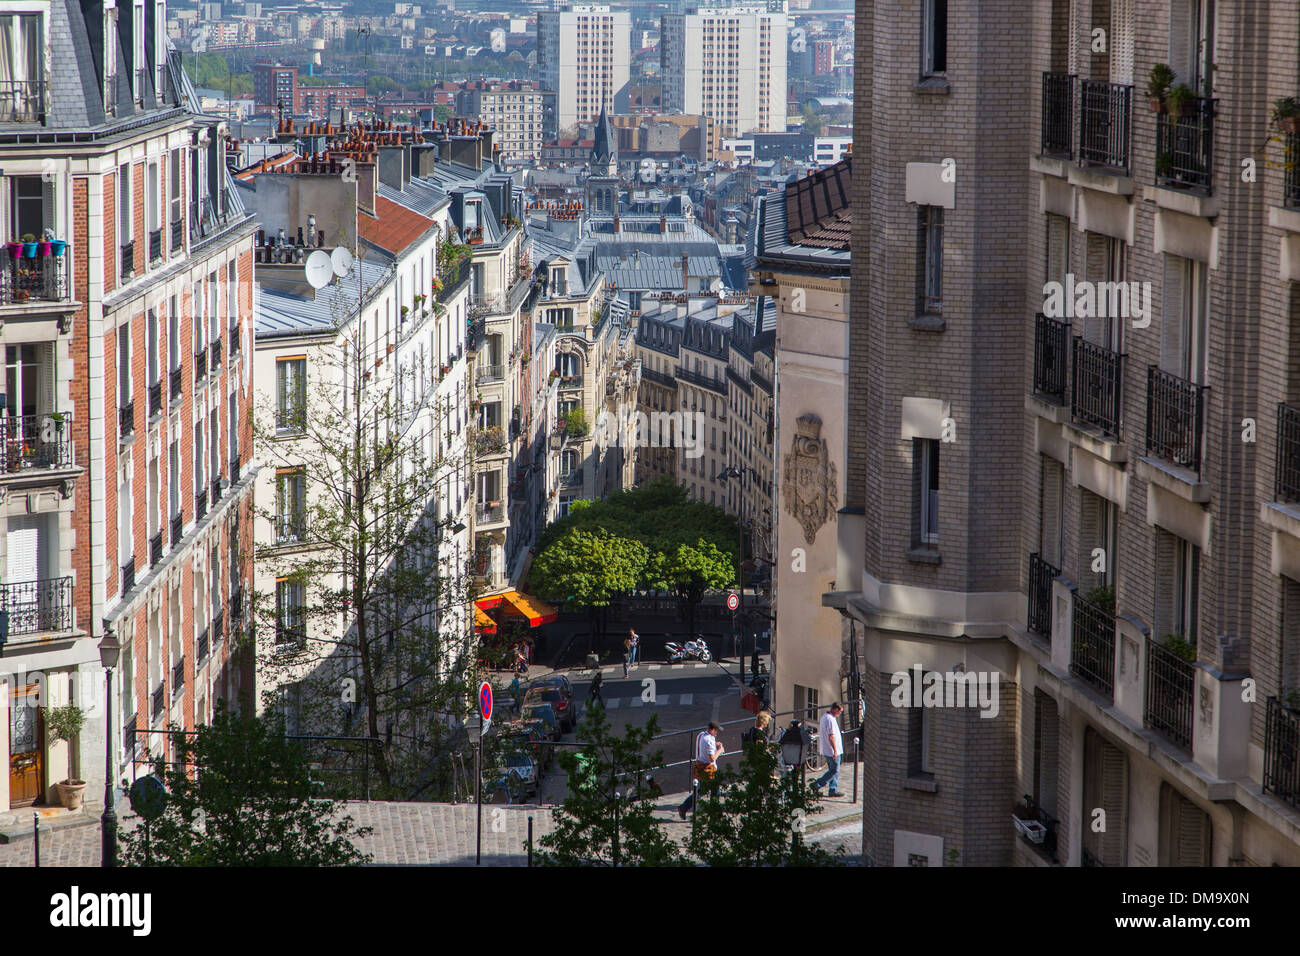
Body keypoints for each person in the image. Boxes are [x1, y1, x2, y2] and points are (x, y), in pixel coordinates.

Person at [678, 722, 723, 819]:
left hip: (699, 766)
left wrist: (715, 745)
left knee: (702, 791)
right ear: (712, 730)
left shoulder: (701, 735)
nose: (717, 733)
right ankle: (714, 813)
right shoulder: (709, 740)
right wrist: (720, 750)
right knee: (715, 791)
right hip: (708, 768)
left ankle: (684, 807)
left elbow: (703, 746)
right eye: (716, 731)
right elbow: (712, 758)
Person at [810, 703, 844, 797]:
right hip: (831, 750)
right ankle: (818, 784)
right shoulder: (829, 719)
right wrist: (835, 750)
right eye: (839, 711)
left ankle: (833, 789)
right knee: (834, 770)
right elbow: (831, 736)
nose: (840, 713)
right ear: (835, 709)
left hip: (827, 749)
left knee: (832, 770)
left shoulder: (825, 717)